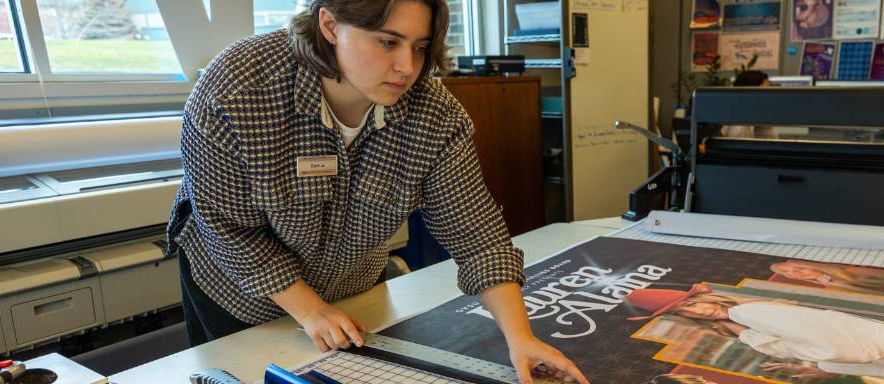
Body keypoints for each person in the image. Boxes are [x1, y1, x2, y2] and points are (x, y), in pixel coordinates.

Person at [165, 1, 587, 383]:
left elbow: (478, 238)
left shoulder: (434, 115)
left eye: (420, 47)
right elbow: (224, 226)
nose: (407, 67)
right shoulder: (237, 89)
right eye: (388, 42)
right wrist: (310, 310)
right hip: (240, 295)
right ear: (329, 24)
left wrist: (520, 339)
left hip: (352, 290)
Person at [625, 284, 884, 382]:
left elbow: (832, 344)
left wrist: (821, 366)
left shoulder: (750, 311)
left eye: (693, 302)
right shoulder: (744, 332)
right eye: (689, 312)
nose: (699, 310)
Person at [768, 260, 884, 301]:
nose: (797, 274)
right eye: (790, 274)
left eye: (799, 268)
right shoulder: (829, 290)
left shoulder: (854, 271)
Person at [719, 71, 779, 139]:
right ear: (750, 93)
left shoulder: (752, 114)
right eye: (765, 91)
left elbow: (769, 144)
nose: (769, 95)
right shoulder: (739, 124)